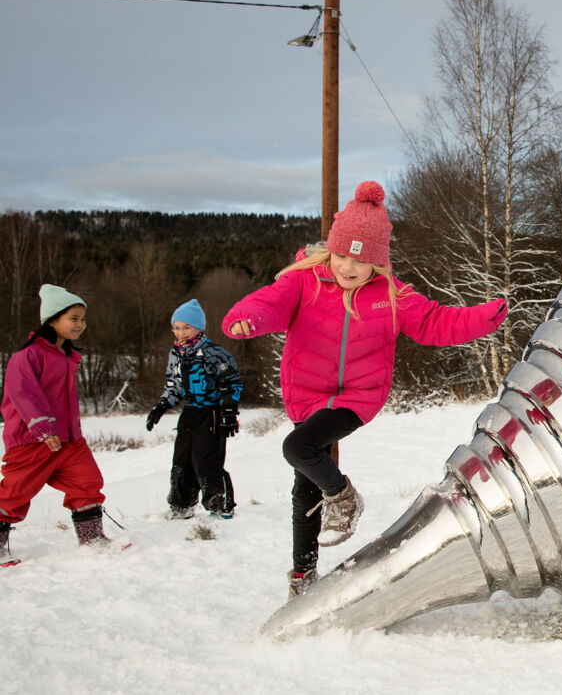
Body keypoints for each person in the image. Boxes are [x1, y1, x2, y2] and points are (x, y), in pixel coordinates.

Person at [222, 180, 507, 598]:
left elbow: (434, 322)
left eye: (359, 261)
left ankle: (344, 497)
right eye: (340, 256)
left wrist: (482, 319)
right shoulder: (305, 282)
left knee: (297, 450)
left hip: (357, 397)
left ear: (377, 261)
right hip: (307, 395)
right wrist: (247, 320)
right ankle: (303, 577)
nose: (347, 268)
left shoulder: (391, 295)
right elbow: (267, 304)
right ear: (330, 250)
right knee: (304, 483)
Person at [0, 284, 112, 566]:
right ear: (52, 319)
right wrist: (44, 428)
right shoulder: (26, 356)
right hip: (33, 440)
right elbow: (23, 393)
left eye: (83, 319)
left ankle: (92, 539)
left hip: (70, 440)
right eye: (73, 318)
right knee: (15, 494)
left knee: (87, 482)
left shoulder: (68, 357)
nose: (80, 325)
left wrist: (67, 432)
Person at [146, 299, 243, 520]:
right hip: (189, 412)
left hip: (212, 413)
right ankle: (182, 505)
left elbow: (231, 382)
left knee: (207, 460)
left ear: (199, 327)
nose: (181, 332)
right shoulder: (176, 354)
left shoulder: (212, 352)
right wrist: (160, 407)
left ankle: (220, 504)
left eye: (186, 327)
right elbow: (174, 385)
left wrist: (228, 412)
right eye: (177, 327)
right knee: (182, 460)